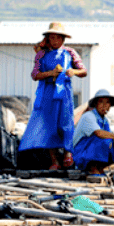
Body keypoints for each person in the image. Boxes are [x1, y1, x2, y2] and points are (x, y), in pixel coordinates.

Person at [19, 22, 87, 170]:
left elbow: (83, 71)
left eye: (58, 38)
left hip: (64, 93)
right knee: (48, 125)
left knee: (66, 123)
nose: (55, 41)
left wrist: (72, 72)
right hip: (46, 92)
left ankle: (68, 154)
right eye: (52, 38)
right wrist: (51, 73)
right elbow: (35, 75)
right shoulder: (41, 54)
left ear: (63, 39)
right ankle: (54, 160)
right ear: (48, 39)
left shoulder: (70, 53)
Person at [73, 89, 114, 175]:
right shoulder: (88, 116)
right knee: (104, 139)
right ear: (96, 104)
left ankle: (100, 167)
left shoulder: (106, 120)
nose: (104, 105)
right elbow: (99, 133)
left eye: (107, 103)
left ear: (110, 106)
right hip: (80, 154)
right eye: (101, 102)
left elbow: (110, 138)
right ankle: (92, 167)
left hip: (92, 151)